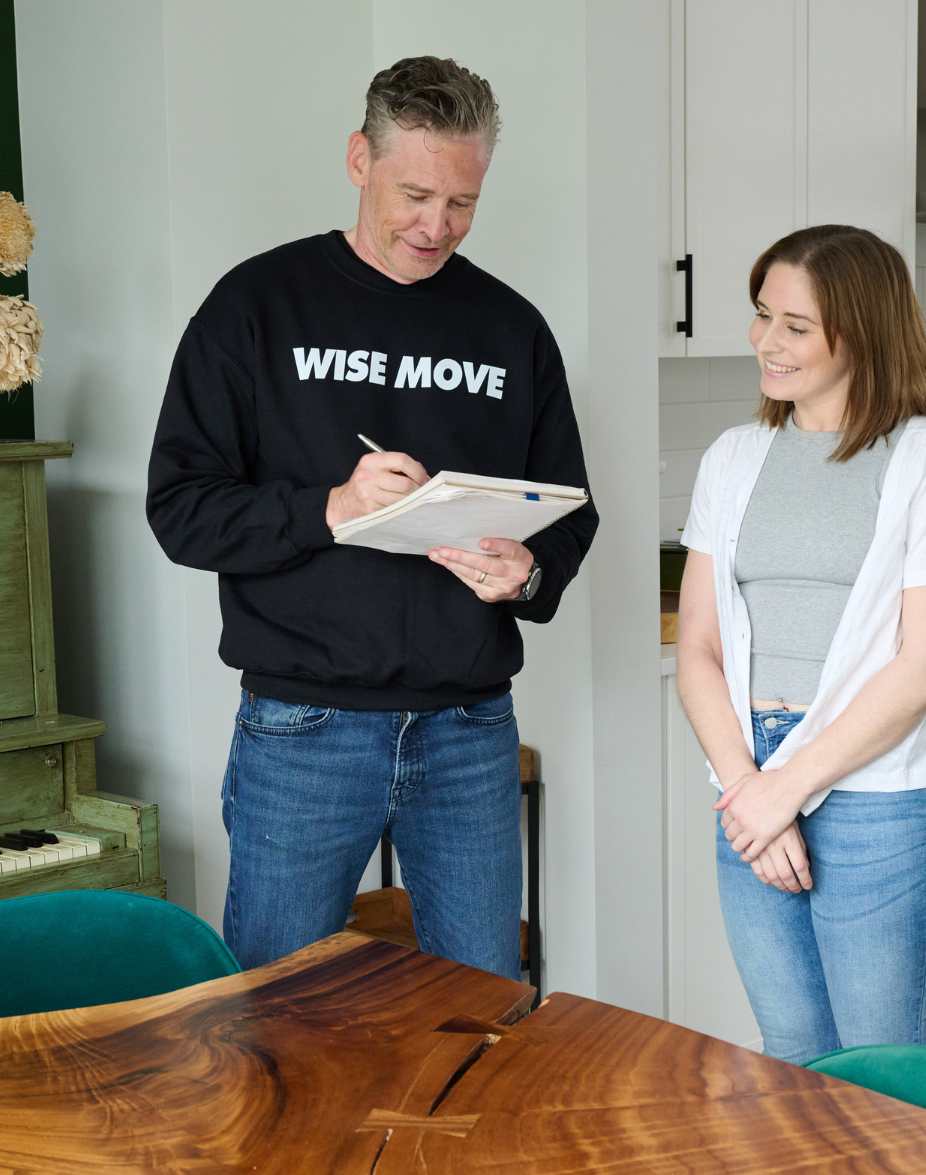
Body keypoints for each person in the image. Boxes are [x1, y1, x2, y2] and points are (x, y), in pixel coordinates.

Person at [146, 56, 596, 979]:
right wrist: (332, 508)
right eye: (415, 194)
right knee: (275, 1016)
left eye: (463, 203)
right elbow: (181, 511)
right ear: (360, 159)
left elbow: (571, 511)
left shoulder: (513, 330)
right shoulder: (255, 307)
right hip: (304, 730)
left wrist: (530, 570)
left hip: (469, 730)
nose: (437, 227)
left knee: (484, 1014)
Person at [675, 225, 926, 1063]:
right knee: (790, 1053)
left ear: (860, 332)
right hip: (747, 780)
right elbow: (700, 649)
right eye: (761, 316)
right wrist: (753, 786)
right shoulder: (734, 458)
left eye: (795, 325)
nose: (764, 342)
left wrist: (788, 787)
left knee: (879, 1065)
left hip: (874, 795)